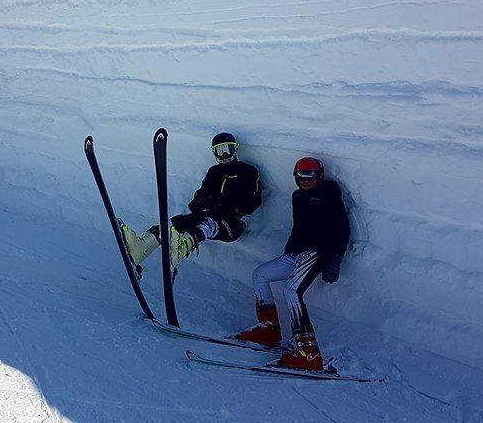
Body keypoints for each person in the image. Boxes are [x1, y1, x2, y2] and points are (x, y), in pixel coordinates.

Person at [238, 156, 350, 371]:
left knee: (292, 291)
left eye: (310, 176)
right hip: (296, 253)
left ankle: (309, 354)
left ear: (319, 176)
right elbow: (300, 226)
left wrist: (334, 259)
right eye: (300, 176)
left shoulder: (329, 195)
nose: (305, 181)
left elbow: (342, 229)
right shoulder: (298, 196)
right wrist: (291, 251)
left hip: (318, 252)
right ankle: (269, 330)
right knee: (260, 274)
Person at [120, 132, 262, 268]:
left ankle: (183, 247)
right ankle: (142, 247)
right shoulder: (214, 172)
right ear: (214, 153)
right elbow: (201, 195)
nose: (224, 154)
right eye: (220, 151)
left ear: (234, 149)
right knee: (176, 222)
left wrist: (228, 207)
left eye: (227, 149)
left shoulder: (247, 171)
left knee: (208, 223)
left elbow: (252, 202)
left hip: (233, 223)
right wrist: (200, 202)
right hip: (211, 213)